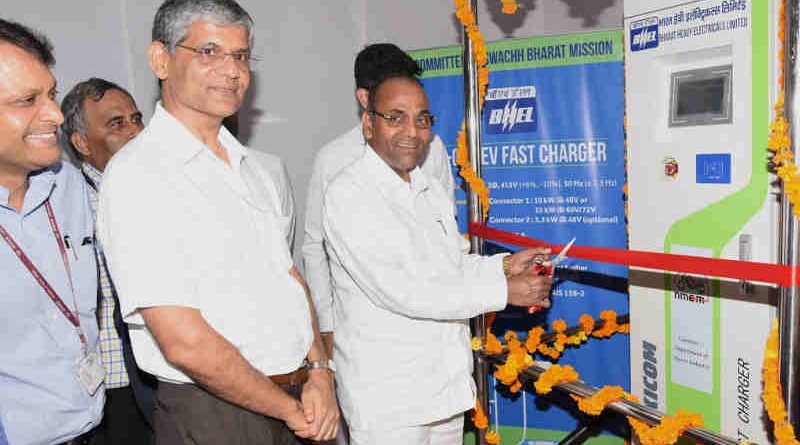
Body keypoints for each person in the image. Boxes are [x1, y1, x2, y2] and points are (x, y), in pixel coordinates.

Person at [96, 0, 338, 444]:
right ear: (161, 59)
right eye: (209, 52)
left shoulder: (252, 168)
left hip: (296, 397)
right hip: (215, 413)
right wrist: (286, 406)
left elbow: (288, 278)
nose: (232, 71)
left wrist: (320, 371)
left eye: (241, 55)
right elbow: (182, 340)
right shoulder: (139, 174)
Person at [322, 73, 554, 444]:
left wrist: (505, 265)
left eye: (422, 119)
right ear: (369, 124)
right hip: (389, 399)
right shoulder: (349, 194)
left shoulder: (428, 189)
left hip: (443, 387)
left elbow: (453, 266)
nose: (411, 131)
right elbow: (402, 291)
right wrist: (503, 290)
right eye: (395, 117)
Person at [303, 43, 454, 358]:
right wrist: (327, 325)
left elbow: (447, 232)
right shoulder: (333, 159)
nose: (411, 131)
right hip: (362, 328)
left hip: (436, 318)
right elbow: (315, 247)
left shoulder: (433, 147)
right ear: (364, 98)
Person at [0, 19, 104, 445]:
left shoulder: (68, 185)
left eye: (51, 94)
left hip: (94, 430)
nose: (56, 115)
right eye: (28, 100)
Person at [60, 78, 155, 444]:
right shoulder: (67, 206)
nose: (136, 132)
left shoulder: (167, 192)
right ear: (82, 143)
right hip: (111, 387)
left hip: (173, 377)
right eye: (117, 124)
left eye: (137, 119)